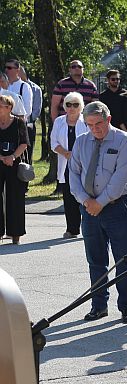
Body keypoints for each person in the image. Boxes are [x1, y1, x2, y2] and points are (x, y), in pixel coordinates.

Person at [68, 101, 127, 320]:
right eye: (89, 125)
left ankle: (126, 307)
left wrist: (101, 202)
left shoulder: (123, 140)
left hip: (117, 207)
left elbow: (120, 177)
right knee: (96, 260)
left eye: (98, 124)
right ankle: (98, 306)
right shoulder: (81, 141)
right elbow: (74, 174)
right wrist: (86, 200)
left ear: (108, 119)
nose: (95, 129)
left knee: (124, 259)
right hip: (89, 208)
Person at [51, 91, 89, 238]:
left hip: (84, 165)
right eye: (69, 104)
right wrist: (66, 153)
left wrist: (78, 155)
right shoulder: (59, 121)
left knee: (85, 196)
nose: (72, 107)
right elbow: (53, 142)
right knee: (68, 197)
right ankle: (72, 229)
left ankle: (88, 228)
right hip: (66, 164)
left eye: (75, 104)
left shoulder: (86, 121)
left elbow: (91, 141)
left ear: (81, 107)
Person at [0, 94, 29, 245]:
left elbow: (24, 143)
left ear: (9, 108)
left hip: (14, 163)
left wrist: (12, 156)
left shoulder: (18, 122)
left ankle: (15, 233)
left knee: (15, 198)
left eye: (2, 106)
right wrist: (1, 157)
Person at [5, 60, 34, 156]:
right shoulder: (4, 86)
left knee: (20, 157)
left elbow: (27, 110)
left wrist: (10, 116)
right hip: (3, 126)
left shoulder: (24, 87)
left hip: (18, 127)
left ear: (17, 70)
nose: (6, 70)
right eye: (6, 67)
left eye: (9, 68)